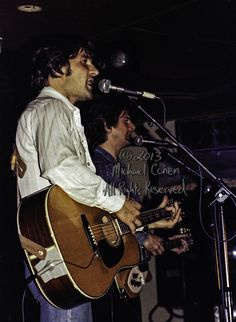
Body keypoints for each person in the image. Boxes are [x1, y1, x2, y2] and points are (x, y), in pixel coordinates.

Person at [14, 36, 145, 322]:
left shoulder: (57, 112)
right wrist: (117, 202)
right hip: (60, 255)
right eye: (84, 62)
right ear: (57, 68)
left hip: (65, 251)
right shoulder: (50, 109)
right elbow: (61, 167)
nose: (95, 71)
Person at [83, 92, 187, 322]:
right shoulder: (100, 166)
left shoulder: (114, 166)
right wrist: (144, 239)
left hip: (125, 277)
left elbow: (127, 220)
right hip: (111, 278)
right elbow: (105, 220)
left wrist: (158, 223)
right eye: (125, 120)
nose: (132, 126)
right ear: (106, 126)